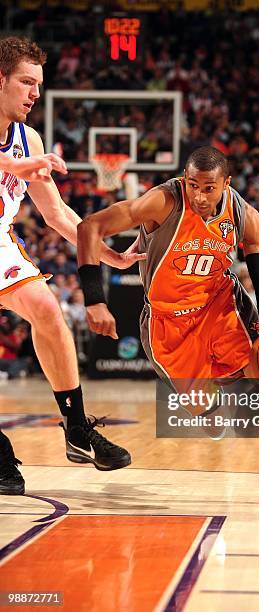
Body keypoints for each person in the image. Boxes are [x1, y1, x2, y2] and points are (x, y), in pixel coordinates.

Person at [76, 145, 259, 510]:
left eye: (209, 188)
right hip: (168, 324)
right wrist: (94, 298)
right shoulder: (162, 202)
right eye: (192, 185)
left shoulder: (245, 215)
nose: (199, 195)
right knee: (212, 420)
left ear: (226, 183)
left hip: (221, 306)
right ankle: (211, 411)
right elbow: (90, 226)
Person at [0, 37, 145, 495]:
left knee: (47, 309)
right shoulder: (22, 154)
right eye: (26, 81)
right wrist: (14, 165)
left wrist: (107, 251)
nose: (35, 93)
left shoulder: (30, 140)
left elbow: (58, 215)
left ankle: (77, 428)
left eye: (38, 85)